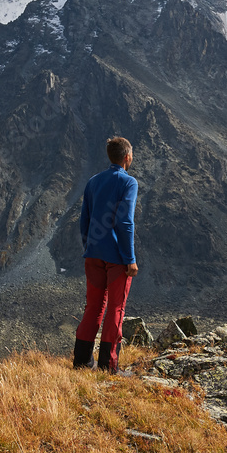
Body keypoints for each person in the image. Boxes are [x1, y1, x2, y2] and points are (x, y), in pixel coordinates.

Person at [72, 136, 139, 373]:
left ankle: (81, 361)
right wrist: (129, 258)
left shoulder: (93, 181)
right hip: (116, 258)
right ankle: (109, 366)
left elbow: (85, 220)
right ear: (127, 157)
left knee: (93, 306)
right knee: (115, 308)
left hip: (93, 254)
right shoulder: (128, 183)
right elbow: (125, 222)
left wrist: (88, 246)